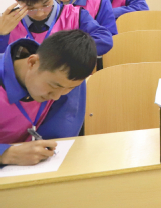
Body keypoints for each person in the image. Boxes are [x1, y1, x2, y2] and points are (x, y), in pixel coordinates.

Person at [0, 30, 97, 166]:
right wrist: (6, 154)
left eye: (69, 88)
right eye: (53, 86)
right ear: (32, 62)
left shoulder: (66, 77)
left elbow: (58, 140)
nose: (56, 97)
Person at [1, 0, 113, 56]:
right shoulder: (8, 23)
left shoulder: (75, 15)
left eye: (46, 5)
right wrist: (2, 35)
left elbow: (105, 39)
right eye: (31, 8)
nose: (40, 13)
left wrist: (68, 49)